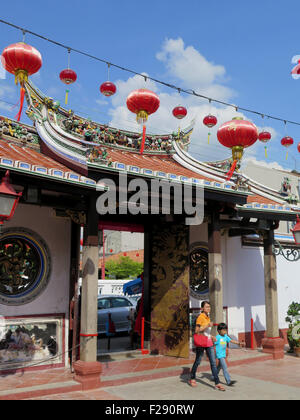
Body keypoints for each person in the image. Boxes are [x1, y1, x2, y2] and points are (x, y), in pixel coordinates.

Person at [189, 301, 225, 391]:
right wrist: (207, 325)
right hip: (201, 342)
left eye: (209, 307)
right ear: (202, 309)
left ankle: (217, 383)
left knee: (213, 362)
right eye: (207, 307)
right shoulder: (200, 317)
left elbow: (206, 332)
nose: (208, 308)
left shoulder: (208, 317)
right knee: (198, 361)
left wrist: (212, 336)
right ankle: (192, 377)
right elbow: (197, 330)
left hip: (208, 342)